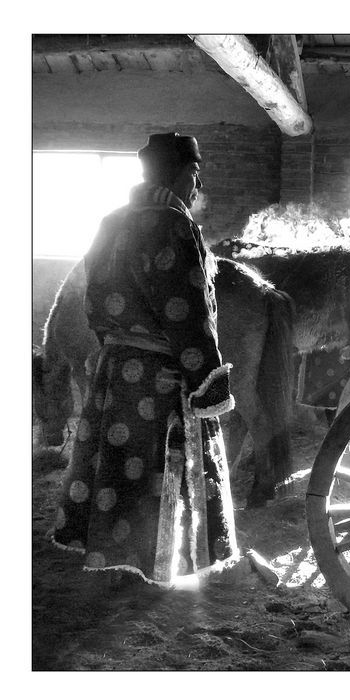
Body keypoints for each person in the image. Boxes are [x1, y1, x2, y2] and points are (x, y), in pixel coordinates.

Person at [51, 133, 239, 586]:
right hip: (161, 377)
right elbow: (186, 310)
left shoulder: (111, 220)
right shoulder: (175, 224)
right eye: (195, 176)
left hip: (116, 370)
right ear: (180, 174)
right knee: (163, 469)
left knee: (117, 468)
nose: (197, 188)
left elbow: (91, 299)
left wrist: (116, 348)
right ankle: (154, 568)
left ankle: (112, 559)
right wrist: (207, 378)